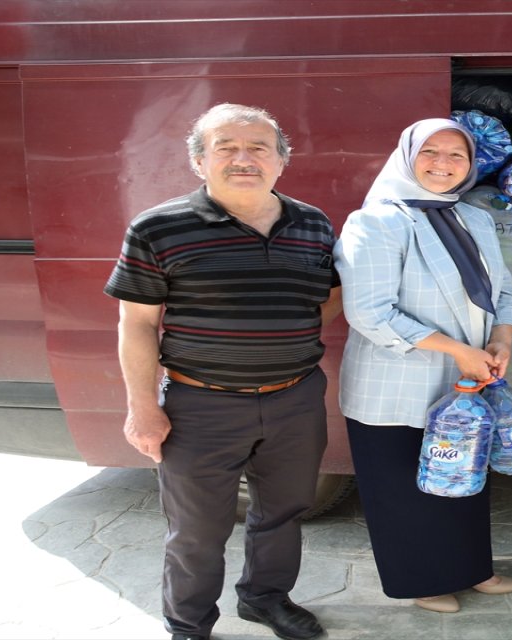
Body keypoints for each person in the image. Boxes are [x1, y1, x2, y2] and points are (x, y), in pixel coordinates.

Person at [104, 103, 340, 640]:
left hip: (295, 398)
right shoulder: (158, 228)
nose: (243, 158)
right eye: (225, 147)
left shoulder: (312, 223)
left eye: (259, 147)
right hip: (200, 406)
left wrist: (279, 337)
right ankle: (188, 626)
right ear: (199, 161)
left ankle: (265, 599)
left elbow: (326, 298)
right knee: (196, 531)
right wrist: (143, 407)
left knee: (283, 512)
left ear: (281, 161)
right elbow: (137, 323)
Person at [334, 118, 512, 614]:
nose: (443, 165)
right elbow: (369, 312)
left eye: (456, 156)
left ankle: (473, 570)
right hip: (396, 385)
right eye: (431, 153)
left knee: (463, 476)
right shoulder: (376, 221)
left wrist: (502, 338)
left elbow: (502, 291)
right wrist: (461, 350)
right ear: (407, 157)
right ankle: (421, 580)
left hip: (468, 378)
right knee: (404, 485)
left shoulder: (474, 218)